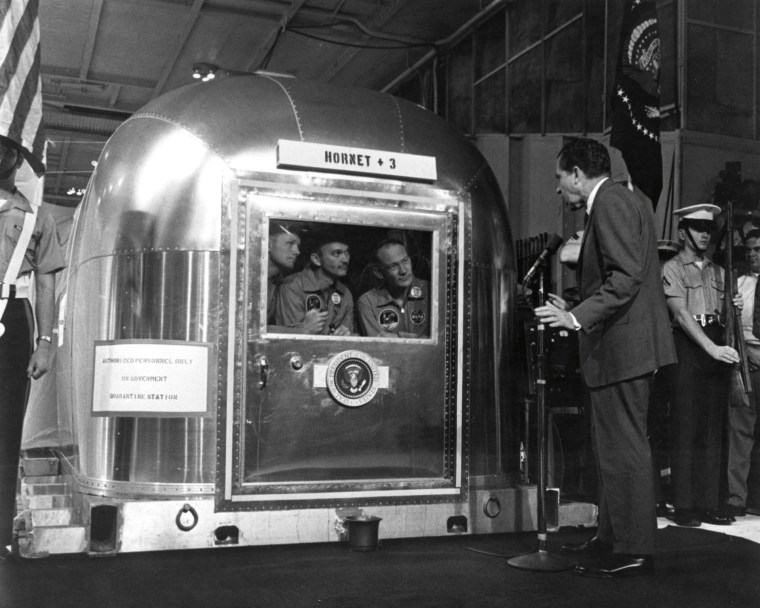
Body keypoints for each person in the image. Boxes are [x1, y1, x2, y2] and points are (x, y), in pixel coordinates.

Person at [534, 137, 676, 579]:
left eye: (560, 178)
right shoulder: (625, 200)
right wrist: (574, 304)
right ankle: (611, 540)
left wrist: (574, 317)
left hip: (624, 350)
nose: (559, 189)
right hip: (625, 347)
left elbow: (626, 278)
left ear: (577, 173)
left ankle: (634, 551)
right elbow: (622, 276)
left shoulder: (611, 203)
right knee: (615, 448)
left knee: (625, 449)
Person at [0, 137, 65, 557]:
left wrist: (44, 341)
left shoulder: (37, 216)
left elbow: (45, 281)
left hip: (13, 317)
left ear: (16, 160)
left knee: (5, 430)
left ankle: (0, 533)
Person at [661, 204, 740, 528]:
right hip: (689, 345)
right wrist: (710, 348)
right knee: (686, 426)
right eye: (696, 227)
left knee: (712, 428)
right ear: (683, 232)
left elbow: (724, 314)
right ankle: (683, 504)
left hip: (716, 341)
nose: (704, 233)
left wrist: (733, 307)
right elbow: (680, 314)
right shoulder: (672, 268)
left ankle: (708, 503)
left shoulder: (719, 271)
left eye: (708, 229)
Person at [727, 229, 760, 518]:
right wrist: (732, 309)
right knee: (740, 433)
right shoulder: (739, 284)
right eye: (749, 250)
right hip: (748, 366)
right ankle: (736, 498)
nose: (752, 255)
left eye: (758, 249)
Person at [274, 230, 353, 335]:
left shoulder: (345, 293)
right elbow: (288, 341)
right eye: (336, 253)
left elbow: (348, 331)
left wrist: (345, 333)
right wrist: (304, 330)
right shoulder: (292, 287)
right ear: (316, 259)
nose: (345, 260)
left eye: (347, 253)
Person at [357, 239, 429, 338]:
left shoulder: (431, 291)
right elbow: (379, 346)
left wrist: (398, 337)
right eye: (393, 267)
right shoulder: (368, 301)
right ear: (379, 273)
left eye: (405, 261)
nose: (403, 271)